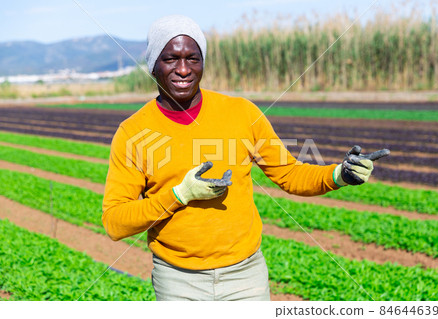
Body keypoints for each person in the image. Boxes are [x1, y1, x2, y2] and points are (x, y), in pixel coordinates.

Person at [102, 15, 389, 301]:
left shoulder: (241, 113)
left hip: (245, 277)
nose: (183, 69)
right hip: (178, 280)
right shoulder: (133, 133)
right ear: (153, 65)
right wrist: (180, 194)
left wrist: (339, 175)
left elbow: (290, 174)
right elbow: (115, 222)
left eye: (193, 59)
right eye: (170, 59)